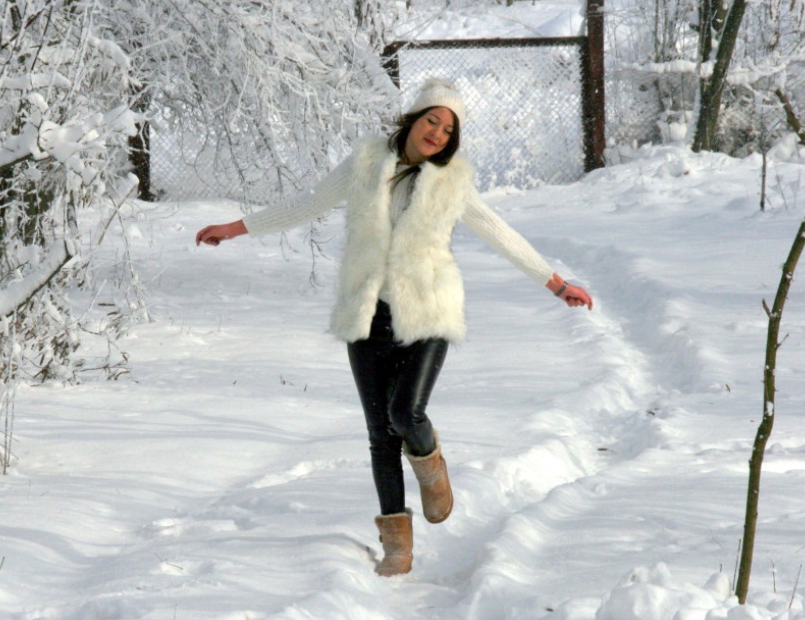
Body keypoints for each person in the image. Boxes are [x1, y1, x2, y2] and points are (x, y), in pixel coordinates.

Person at [195, 79, 593, 577]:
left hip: (428, 310)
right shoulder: (365, 164)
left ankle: (431, 463)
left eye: (449, 129)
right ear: (415, 117)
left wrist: (556, 283)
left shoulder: (452, 183)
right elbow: (308, 204)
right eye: (433, 120)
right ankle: (397, 545)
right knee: (379, 434)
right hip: (367, 313)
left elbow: (497, 231)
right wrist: (235, 228)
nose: (439, 133)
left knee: (406, 412)